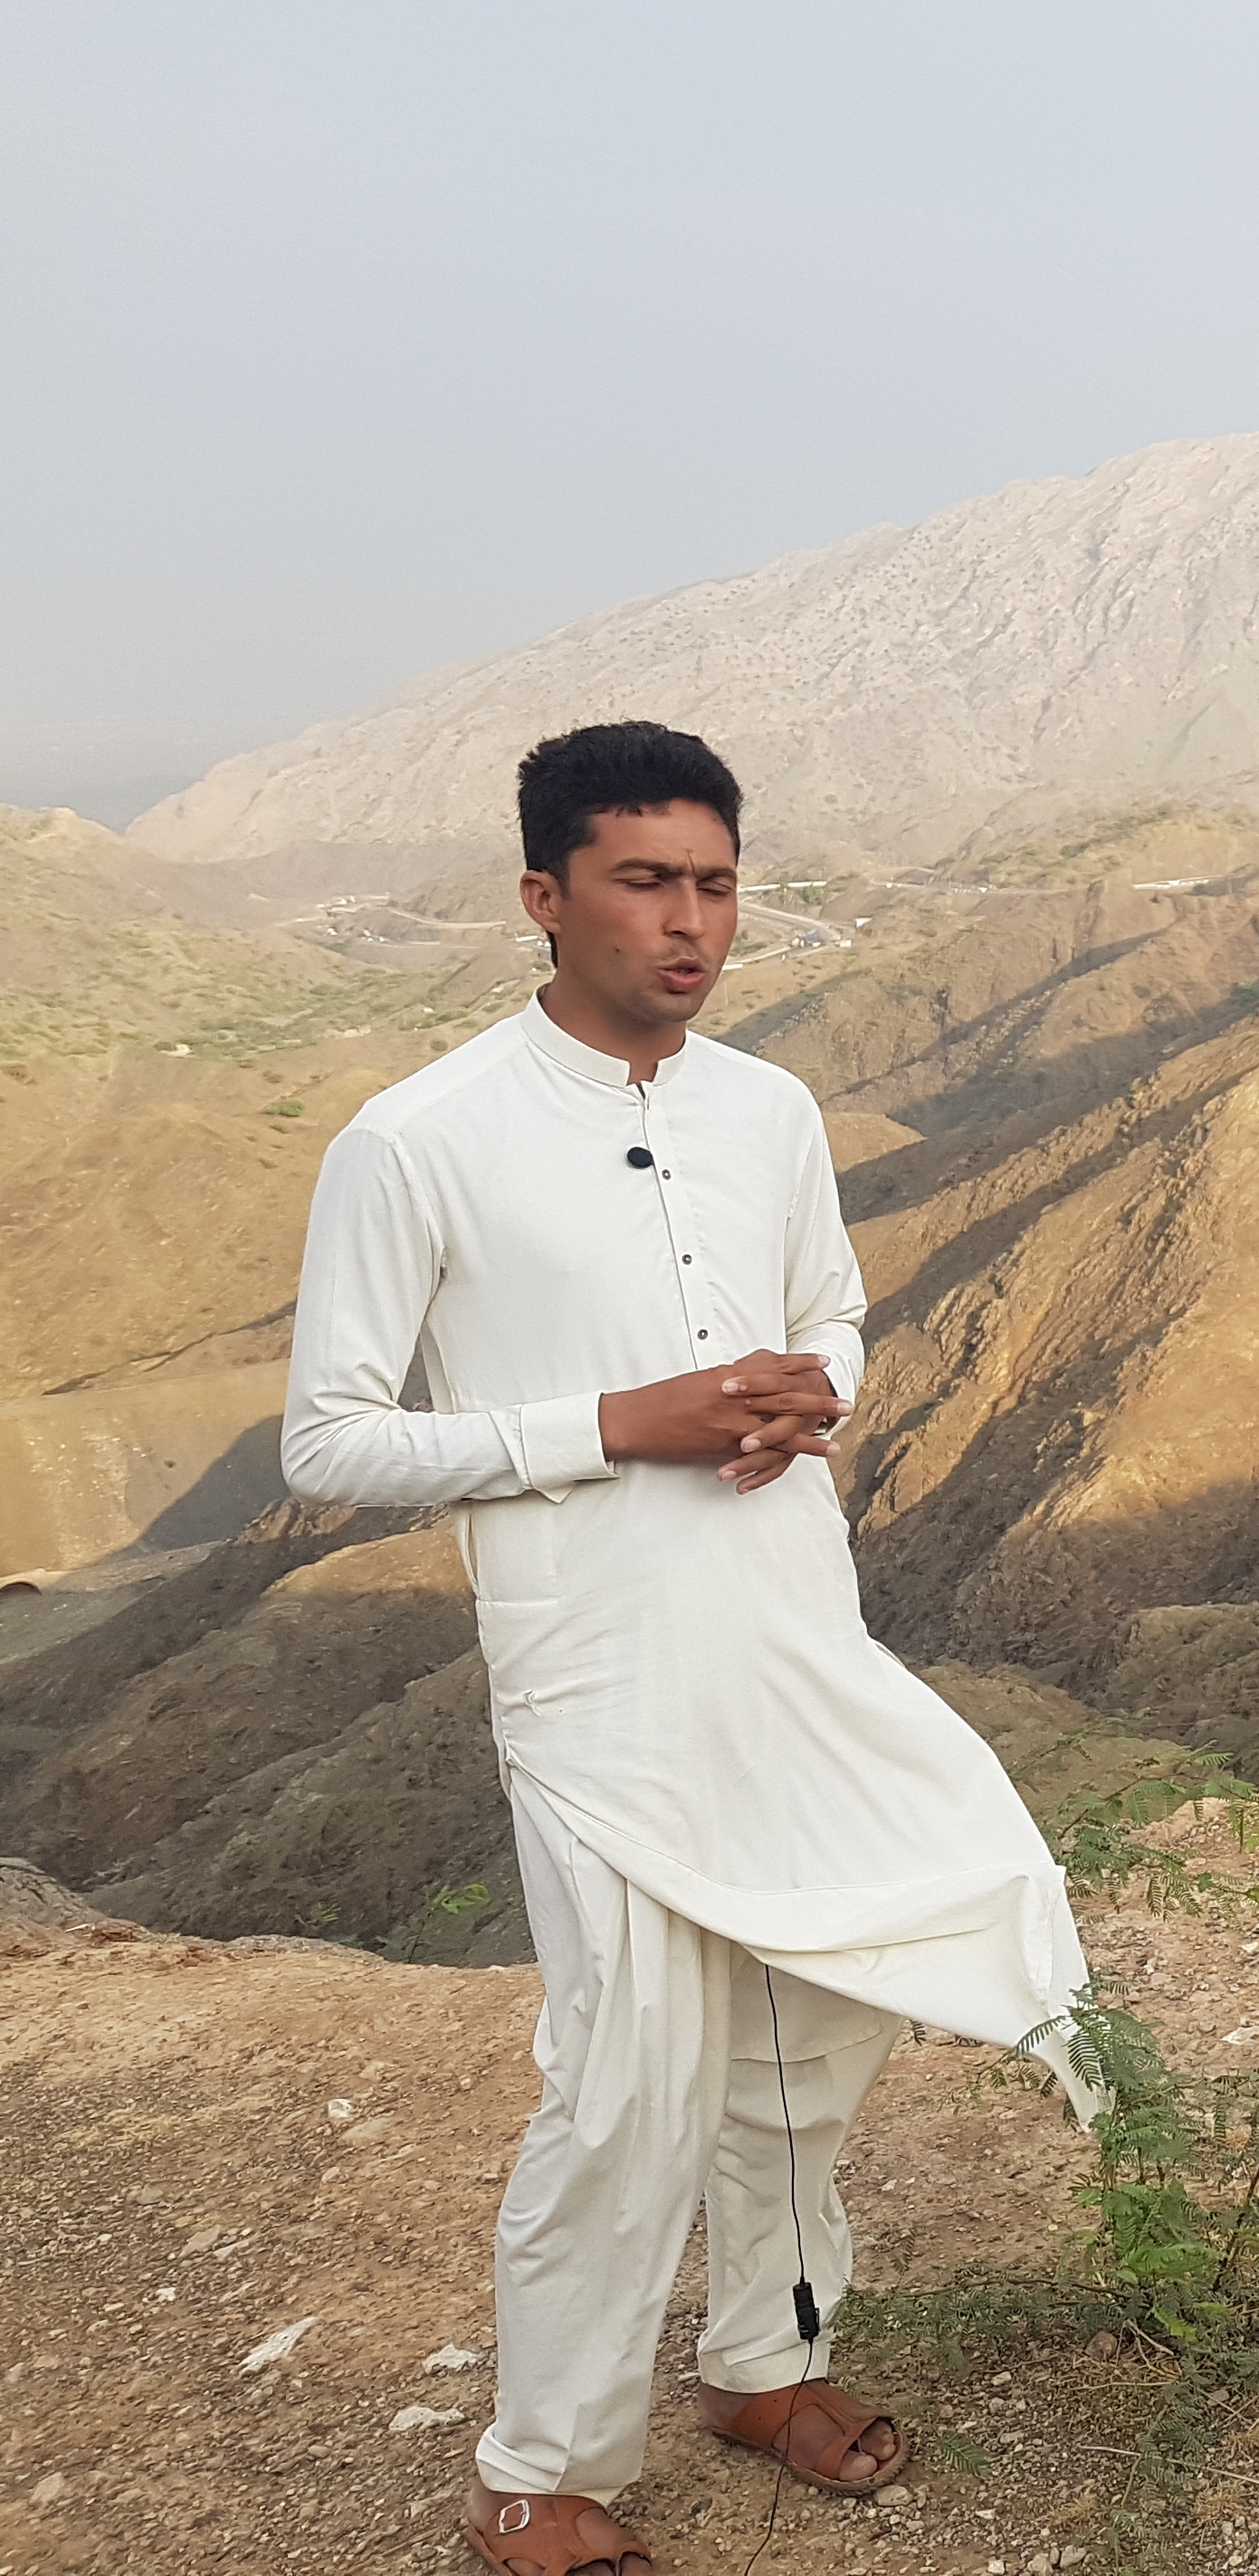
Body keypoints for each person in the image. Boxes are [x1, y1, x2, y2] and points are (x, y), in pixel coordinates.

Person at [283, 723, 1095, 2576]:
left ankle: (761, 2364)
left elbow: (834, 1306)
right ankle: (541, 2465)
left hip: (790, 1627)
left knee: (813, 2032)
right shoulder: (420, 1139)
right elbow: (329, 1438)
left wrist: (816, 1392)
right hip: (595, 1669)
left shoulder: (769, 1113)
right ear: (542, 897)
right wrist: (615, 1422)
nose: (691, 921)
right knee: (631, 2070)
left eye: (715, 882)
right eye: (647, 879)